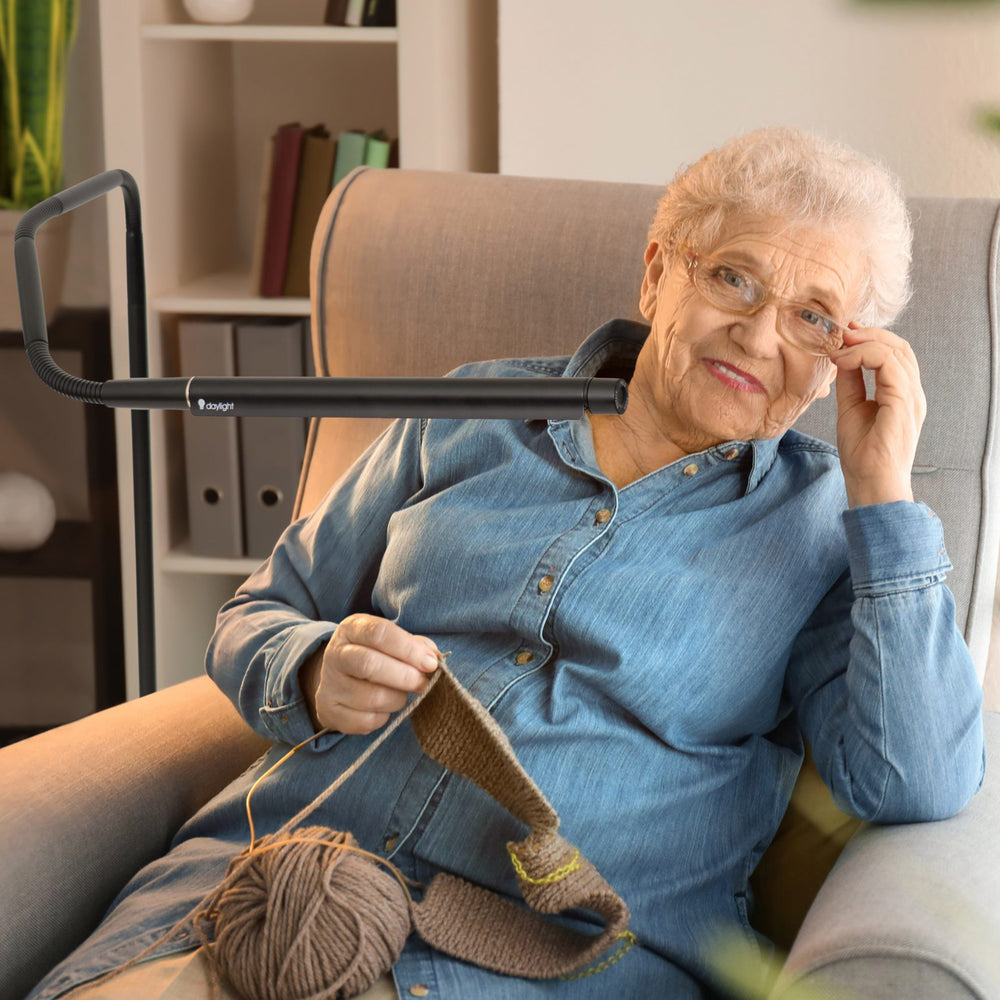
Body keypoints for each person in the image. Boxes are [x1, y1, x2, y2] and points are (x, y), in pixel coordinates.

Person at [29, 126, 985, 1000]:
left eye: (815, 317)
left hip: (554, 959)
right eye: (734, 278)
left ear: (840, 359)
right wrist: (313, 669)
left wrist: (883, 486)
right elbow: (264, 612)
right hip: (276, 880)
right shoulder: (470, 412)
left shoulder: (828, 525)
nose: (761, 333)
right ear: (659, 276)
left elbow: (915, 781)